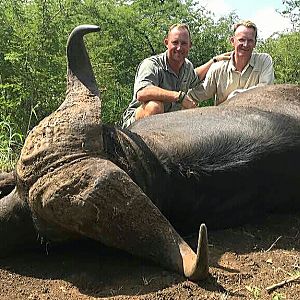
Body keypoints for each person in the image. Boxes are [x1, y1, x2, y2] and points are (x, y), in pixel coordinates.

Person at [122, 23, 230, 128]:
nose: (179, 48)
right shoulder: (151, 64)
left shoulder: (187, 66)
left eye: (183, 43)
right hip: (135, 126)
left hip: (167, 126)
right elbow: (142, 92)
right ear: (166, 42)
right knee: (154, 107)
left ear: (190, 45)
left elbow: (196, 76)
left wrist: (214, 60)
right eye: (175, 42)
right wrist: (179, 97)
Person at [188, 20, 275, 105]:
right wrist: (181, 99)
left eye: (250, 41)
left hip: (256, 116)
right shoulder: (218, 67)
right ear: (232, 41)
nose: (245, 44)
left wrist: (235, 97)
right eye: (241, 40)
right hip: (225, 118)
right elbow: (199, 93)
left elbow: (264, 90)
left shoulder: (264, 61)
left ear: (255, 43)